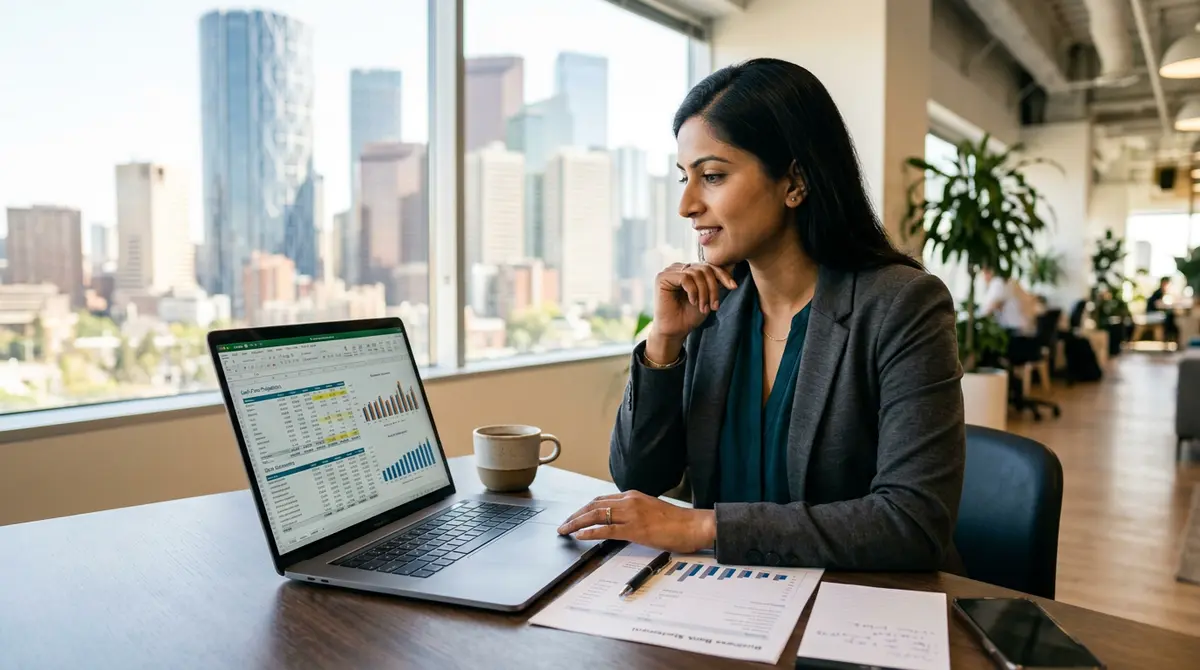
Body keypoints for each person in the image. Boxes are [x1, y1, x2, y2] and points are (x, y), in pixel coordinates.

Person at [556, 58, 966, 572]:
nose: (686, 204)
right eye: (684, 177)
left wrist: (702, 527)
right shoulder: (714, 306)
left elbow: (913, 522)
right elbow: (639, 477)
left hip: (860, 602)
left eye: (712, 176)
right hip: (728, 598)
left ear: (795, 180)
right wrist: (664, 341)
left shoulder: (902, 305)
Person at [978, 266, 1038, 335]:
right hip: (1019, 325)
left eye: (985, 273)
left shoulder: (997, 282)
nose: (984, 277)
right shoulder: (1008, 282)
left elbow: (993, 305)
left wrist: (982, 314)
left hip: (1015, 326)